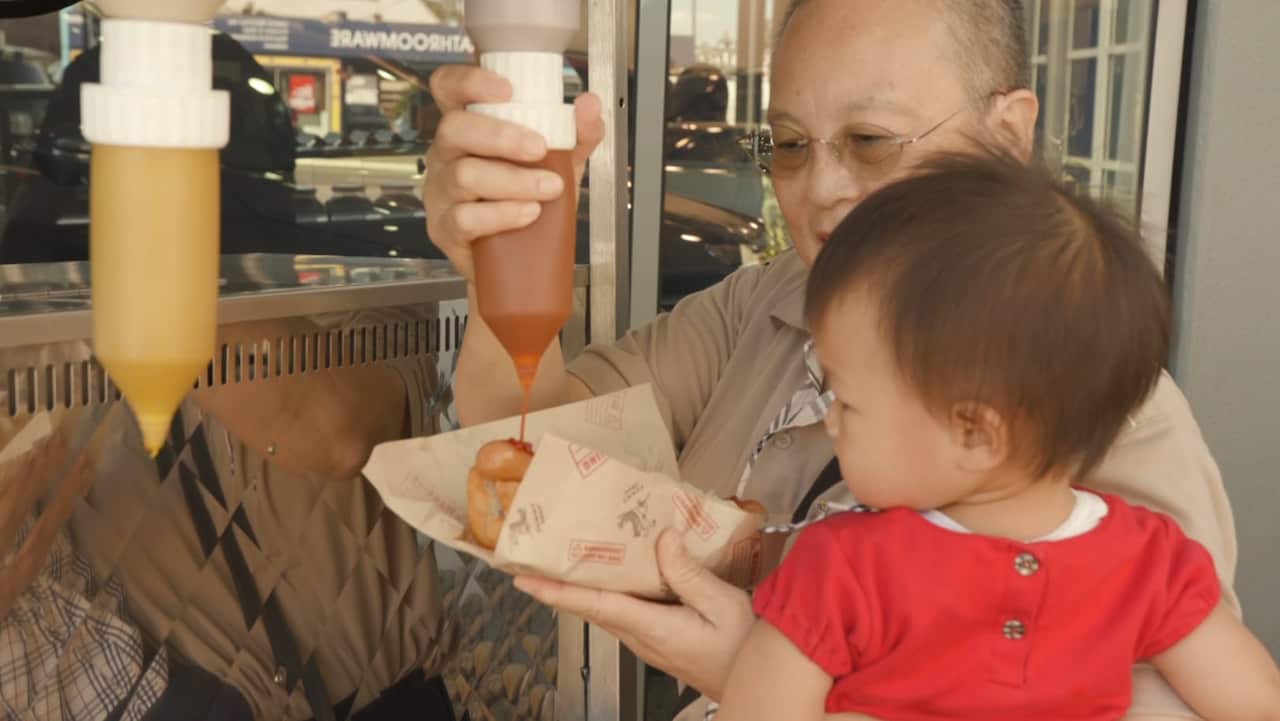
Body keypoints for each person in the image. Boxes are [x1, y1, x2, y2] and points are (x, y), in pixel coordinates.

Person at [421, 1, 1237, 719]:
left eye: (871, 141)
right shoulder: (765, 304)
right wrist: (502, 249)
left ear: (1007, 135)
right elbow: (523, 450)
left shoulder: (1094, 413)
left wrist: (769, 672)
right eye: (788, 144)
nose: (821, 189)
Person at [715, 153, 1280, 721]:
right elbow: (1255, 702)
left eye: (847, 401)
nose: (832, 421)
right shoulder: (1148, 560)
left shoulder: (841, 566)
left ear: (977, 434)